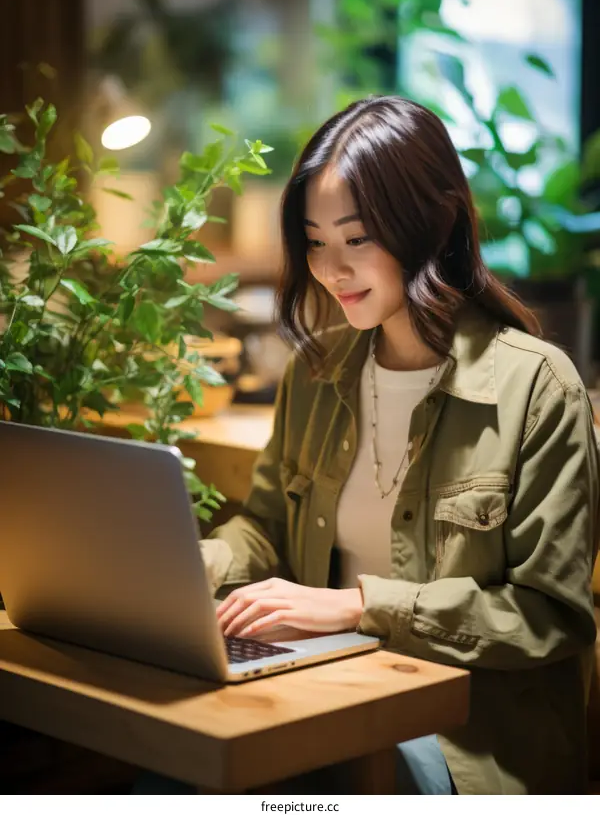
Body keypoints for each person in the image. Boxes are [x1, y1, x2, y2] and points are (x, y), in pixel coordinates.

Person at [137, 96, 600, 794]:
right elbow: (266, 526)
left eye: (357, 240)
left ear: (434, 222)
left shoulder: (538, 388)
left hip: (467, 737)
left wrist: (360, 605)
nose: (331, 269)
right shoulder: (316, 373)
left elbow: (549, 615)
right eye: (315, 241)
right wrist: (186, 568)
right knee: (171, 772)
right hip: (329, 688)